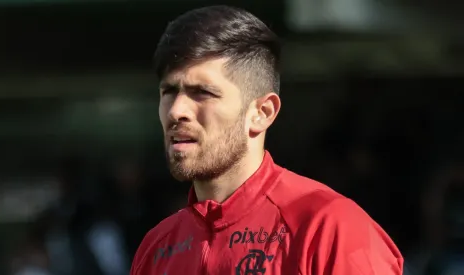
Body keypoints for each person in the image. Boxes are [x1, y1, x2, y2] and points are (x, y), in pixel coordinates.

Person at [130, 5, 403, 275]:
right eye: (168, 91)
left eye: (202, 92)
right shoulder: (157, 248)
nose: (177, 111)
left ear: (262, 113)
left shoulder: (331, 229)